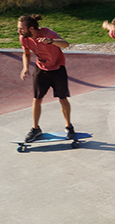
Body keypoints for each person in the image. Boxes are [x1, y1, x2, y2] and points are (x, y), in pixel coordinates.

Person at [17, 14, 75, 142]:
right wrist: (25, 68)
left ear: (31, 28)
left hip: (57, 69)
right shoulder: (24, 38)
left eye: (21, 28)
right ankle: (35, 128)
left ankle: (69, 126)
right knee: (36, 99)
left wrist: (52, 41)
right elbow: (26, 53)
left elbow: (65, 44)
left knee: (63, 98)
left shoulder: (48, 33)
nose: (18, 31)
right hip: (41, 69)